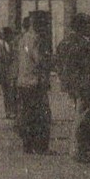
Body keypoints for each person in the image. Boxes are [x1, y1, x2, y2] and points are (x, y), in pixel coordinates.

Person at [56, 12, 90, 162]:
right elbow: (86, 62)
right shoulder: (78, 43)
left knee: (81, 115)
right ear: (81, 27)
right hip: (82, 83)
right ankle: (79, 151)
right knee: (83, 116)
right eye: (89, 26)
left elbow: (59, 64)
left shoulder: (66, 41)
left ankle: (81, 149)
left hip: (73, 83)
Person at [13, 14, 53, 153]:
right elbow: (39, 59)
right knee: (41, 115)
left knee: (26, 114)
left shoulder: (22, 39)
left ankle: (27, 145)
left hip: (23, 81)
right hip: (35, 82)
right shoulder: (36, 39)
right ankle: (40, 146)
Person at [0, 27, 16, 120]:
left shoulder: (13, 45)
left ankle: (12, 111)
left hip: (12, 72)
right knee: (7, 92)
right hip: (4, 72)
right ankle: (8, 111)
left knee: (12, 92)